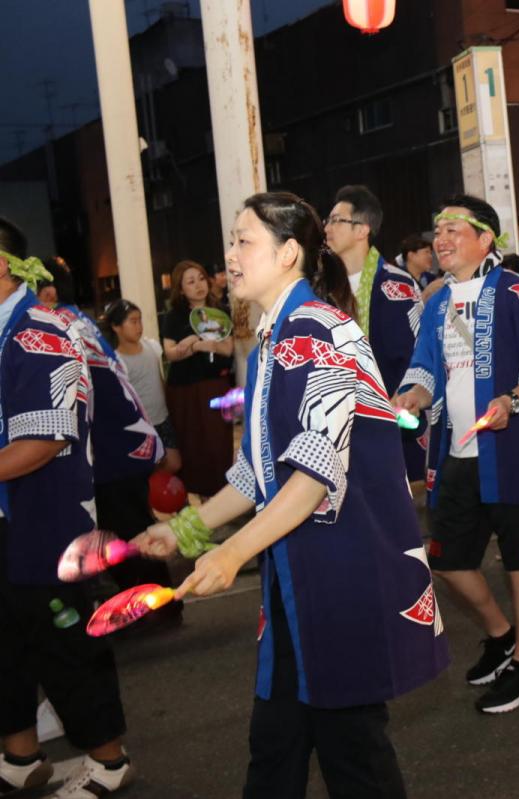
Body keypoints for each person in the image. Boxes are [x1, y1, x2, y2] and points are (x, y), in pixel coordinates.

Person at [135, 192, 448, 798]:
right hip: (299, 580)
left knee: (353, 755)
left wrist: (230, 553)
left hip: (341, 576)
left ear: (289, 254)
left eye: (244, 241)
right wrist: (184, 532)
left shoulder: (315, 333)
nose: (230, 256)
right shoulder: (277, 338)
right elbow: (258, 473)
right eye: (230, 241)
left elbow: (312, 477)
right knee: (277, 745)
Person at [395, 195, 519, 714]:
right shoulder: (435, 303)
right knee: (446, 560)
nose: (442, 239)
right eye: (437, 231)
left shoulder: (517, 291)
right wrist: (411, 396)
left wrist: (513, 399)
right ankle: (500, 635)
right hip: (458, 451)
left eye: (453, 228)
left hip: (511, 448)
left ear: (485, 238)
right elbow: (426, 370)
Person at [0, 218, 136, 799]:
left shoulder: (40, 331)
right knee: (5, 642)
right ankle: (20, 754)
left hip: (45, 522)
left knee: (66, 644)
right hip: (10, 521)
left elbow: (44, 439)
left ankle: (109, 762)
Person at [46, 265, 171, 611]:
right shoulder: (77, 321)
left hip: (111, 449)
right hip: (122, 444)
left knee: (128, 532)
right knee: (131, 528)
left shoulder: (56, 327)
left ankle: (156, 607)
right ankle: (158, 605)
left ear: (48, 294)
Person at [324, 185, 427, 483]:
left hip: (388, 420)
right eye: (327, 220)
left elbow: (417, 354)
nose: (327, 228)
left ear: (362, 230)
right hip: (339, 420)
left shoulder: (395, 285)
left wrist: (402, 400)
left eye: (336, 220)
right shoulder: (322, 289)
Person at [161, 260, 235, 497]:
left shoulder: (221, 311)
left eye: (201, 278)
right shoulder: (174, 316)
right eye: (190, 282)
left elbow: (228, 349)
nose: (198, 285)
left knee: (219, 443)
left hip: (215, 386)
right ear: (181, 289)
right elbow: (171, 353)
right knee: (191, 445)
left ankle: (222, 497)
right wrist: (198, 344)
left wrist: (195, 342)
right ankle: (199, 499)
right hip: (184, 390)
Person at [109, 299, 182, 474]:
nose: (139, 326)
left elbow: (159, 379)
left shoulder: (152, 347)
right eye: (132, 321)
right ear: (116, 327)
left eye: (140, 320)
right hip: (141, 425)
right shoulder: (117, 360)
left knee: (174, 463)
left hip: (163, 418)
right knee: (149, 467)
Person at [398, 234, 441, 299]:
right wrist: (427, 292)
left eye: (430, 253)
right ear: (411, 255)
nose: (431, 256)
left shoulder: (431, 279)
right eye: (426, 252)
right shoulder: (397, 280)